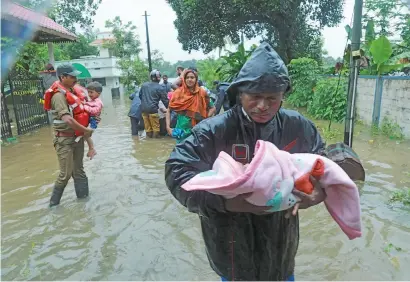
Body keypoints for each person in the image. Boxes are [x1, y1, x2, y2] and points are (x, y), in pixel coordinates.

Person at [165, 43, 326, 281]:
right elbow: (176, 171)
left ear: (283, 96)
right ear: (240, 94)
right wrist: (226, 203)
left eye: (272, 98)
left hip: (281, 245)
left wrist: (319, 193)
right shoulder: (213, 130)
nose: (263, 106)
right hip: (230, 246)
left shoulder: (297, 126)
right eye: (255, 97)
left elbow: (324, 160)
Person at [44, 64, 93, 207]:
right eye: (72, 76)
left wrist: (87, 138)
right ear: (62, 77)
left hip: (77, 137)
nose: (75, 79)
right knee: (65, 175)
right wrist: (86, 130)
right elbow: (68, 119)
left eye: (75, 76)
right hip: (64, 139)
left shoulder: (72, 91)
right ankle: (53, 207)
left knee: (79, 171)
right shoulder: (58, 96)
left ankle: (84, 203)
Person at [165, 69, 216, 143]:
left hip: (197, 130)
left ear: (196, 79)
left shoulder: (202, 92)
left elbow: (213, 108)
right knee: (181, 152)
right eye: (187, 77)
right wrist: (168, 127)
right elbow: (169, 111)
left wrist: (205, 119)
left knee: (197, 152)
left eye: (192, 77)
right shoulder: (178, 93)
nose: (189, 79)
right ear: (184, 80)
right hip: (181, 130)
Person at [139, 69, 169, 138]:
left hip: (144, 110)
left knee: (148, 129)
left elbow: (140, 96)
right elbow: (165, 101)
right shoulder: (160, 87)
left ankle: (149, 143)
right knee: (156, 129)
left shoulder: (144, 85)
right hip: (153, 110)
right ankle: (155, 143)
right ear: (158, 78)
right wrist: (170, 109)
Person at [83, 81, 104, 159]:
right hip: (91, 120)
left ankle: (92, 149)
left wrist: (84, 107)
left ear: (98, 93)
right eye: (88, 92)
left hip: (93, 122)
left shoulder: (98, 102)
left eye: (91, 92)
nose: (89, 94)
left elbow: (94, 111)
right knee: (86, 135)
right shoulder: (93, 101)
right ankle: (91, 150)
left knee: (86, 135)